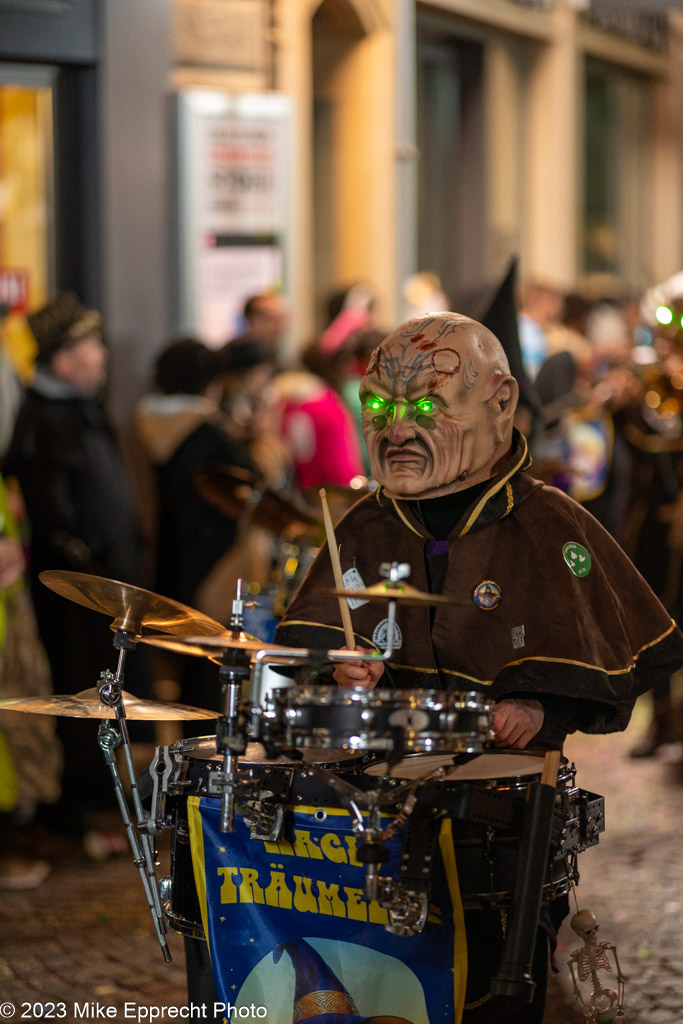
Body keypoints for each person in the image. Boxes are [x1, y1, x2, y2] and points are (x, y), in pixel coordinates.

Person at [275, 311, 683, 1022]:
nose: (395, 429)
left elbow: (613, 667)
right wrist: (334, 674)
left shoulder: (549, 522)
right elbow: (308, 656)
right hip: (373, 816)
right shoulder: (363, 526)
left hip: (500, 822)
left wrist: (540, 710)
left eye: (425, 406)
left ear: (499, 401)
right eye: (379, 407)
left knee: (497, 987)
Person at [2, 291, 149, 844]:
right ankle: (77, 799)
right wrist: (87, 565)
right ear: (63, 358)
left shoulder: (80, 408)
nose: (102, 355)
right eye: (90, 346)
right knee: (78, 687)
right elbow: (50, 505)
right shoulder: (45, 418)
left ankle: (99, 788)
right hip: (77, 596)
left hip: (104, 590)